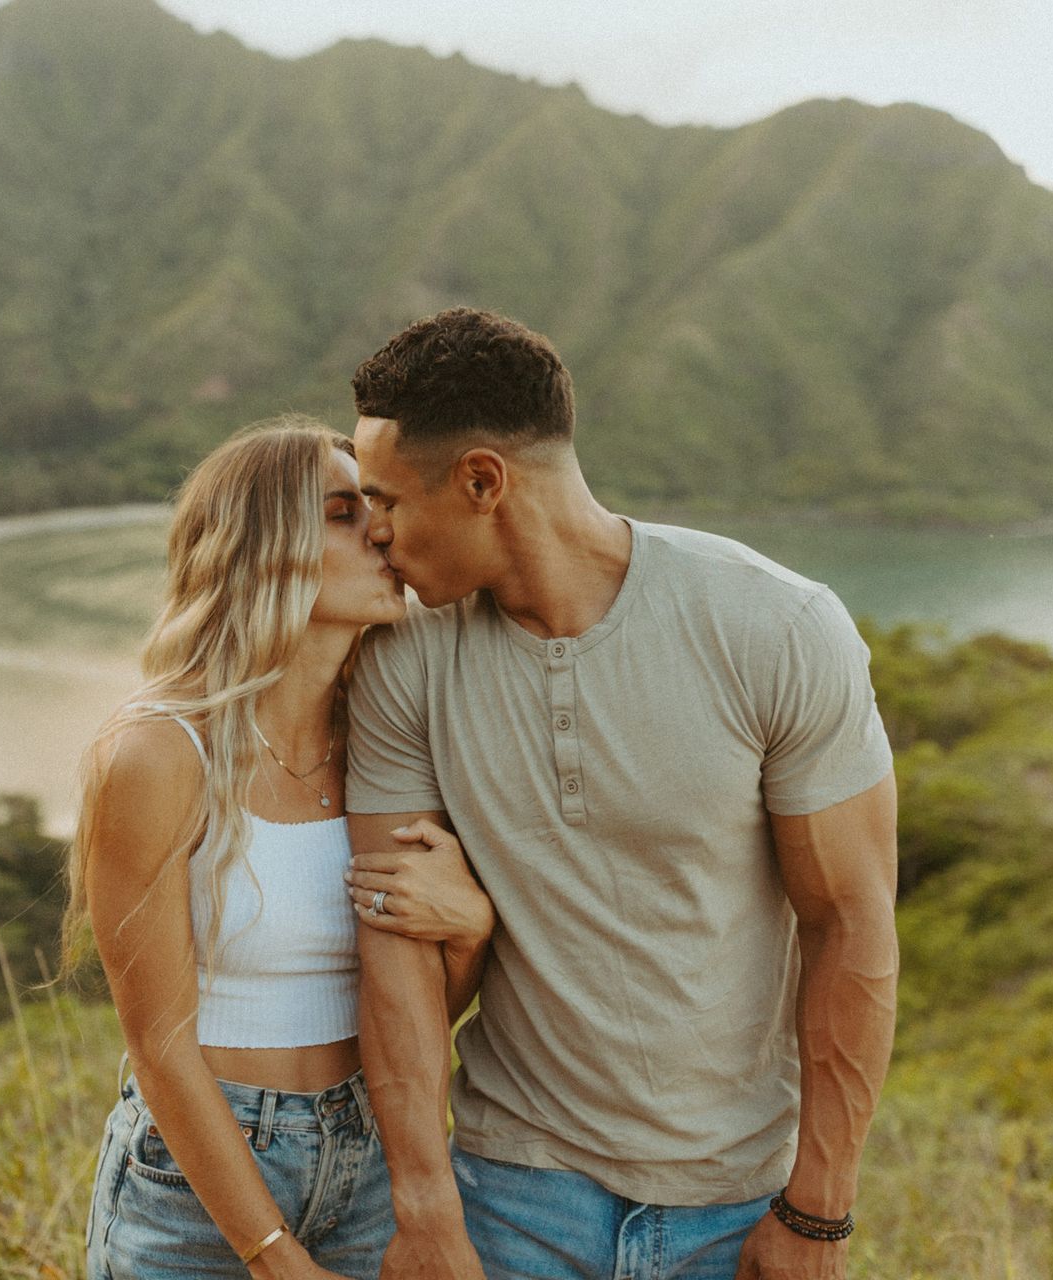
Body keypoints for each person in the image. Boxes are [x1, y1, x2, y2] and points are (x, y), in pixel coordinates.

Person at [339, 309, 900, 1280]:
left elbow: (850, 921)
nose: (375, 534)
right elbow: (392, 938)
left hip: (734, 1198)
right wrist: (424, 1211)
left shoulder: (776, 624)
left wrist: (820, 1209)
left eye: (385, 498)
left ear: (482, 480)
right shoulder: (402, 656)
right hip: (508, 1191)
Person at [65, 416, 497, 1280]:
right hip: (195, 1184)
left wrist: (473, 931)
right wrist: (272, 1257)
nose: (381, 530)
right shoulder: (158, 753)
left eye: (373, 505)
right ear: (260, 549)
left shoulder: (394, 751)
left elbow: (414, 1014)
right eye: (342, 512)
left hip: (370, 1155)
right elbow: (159, 1046)